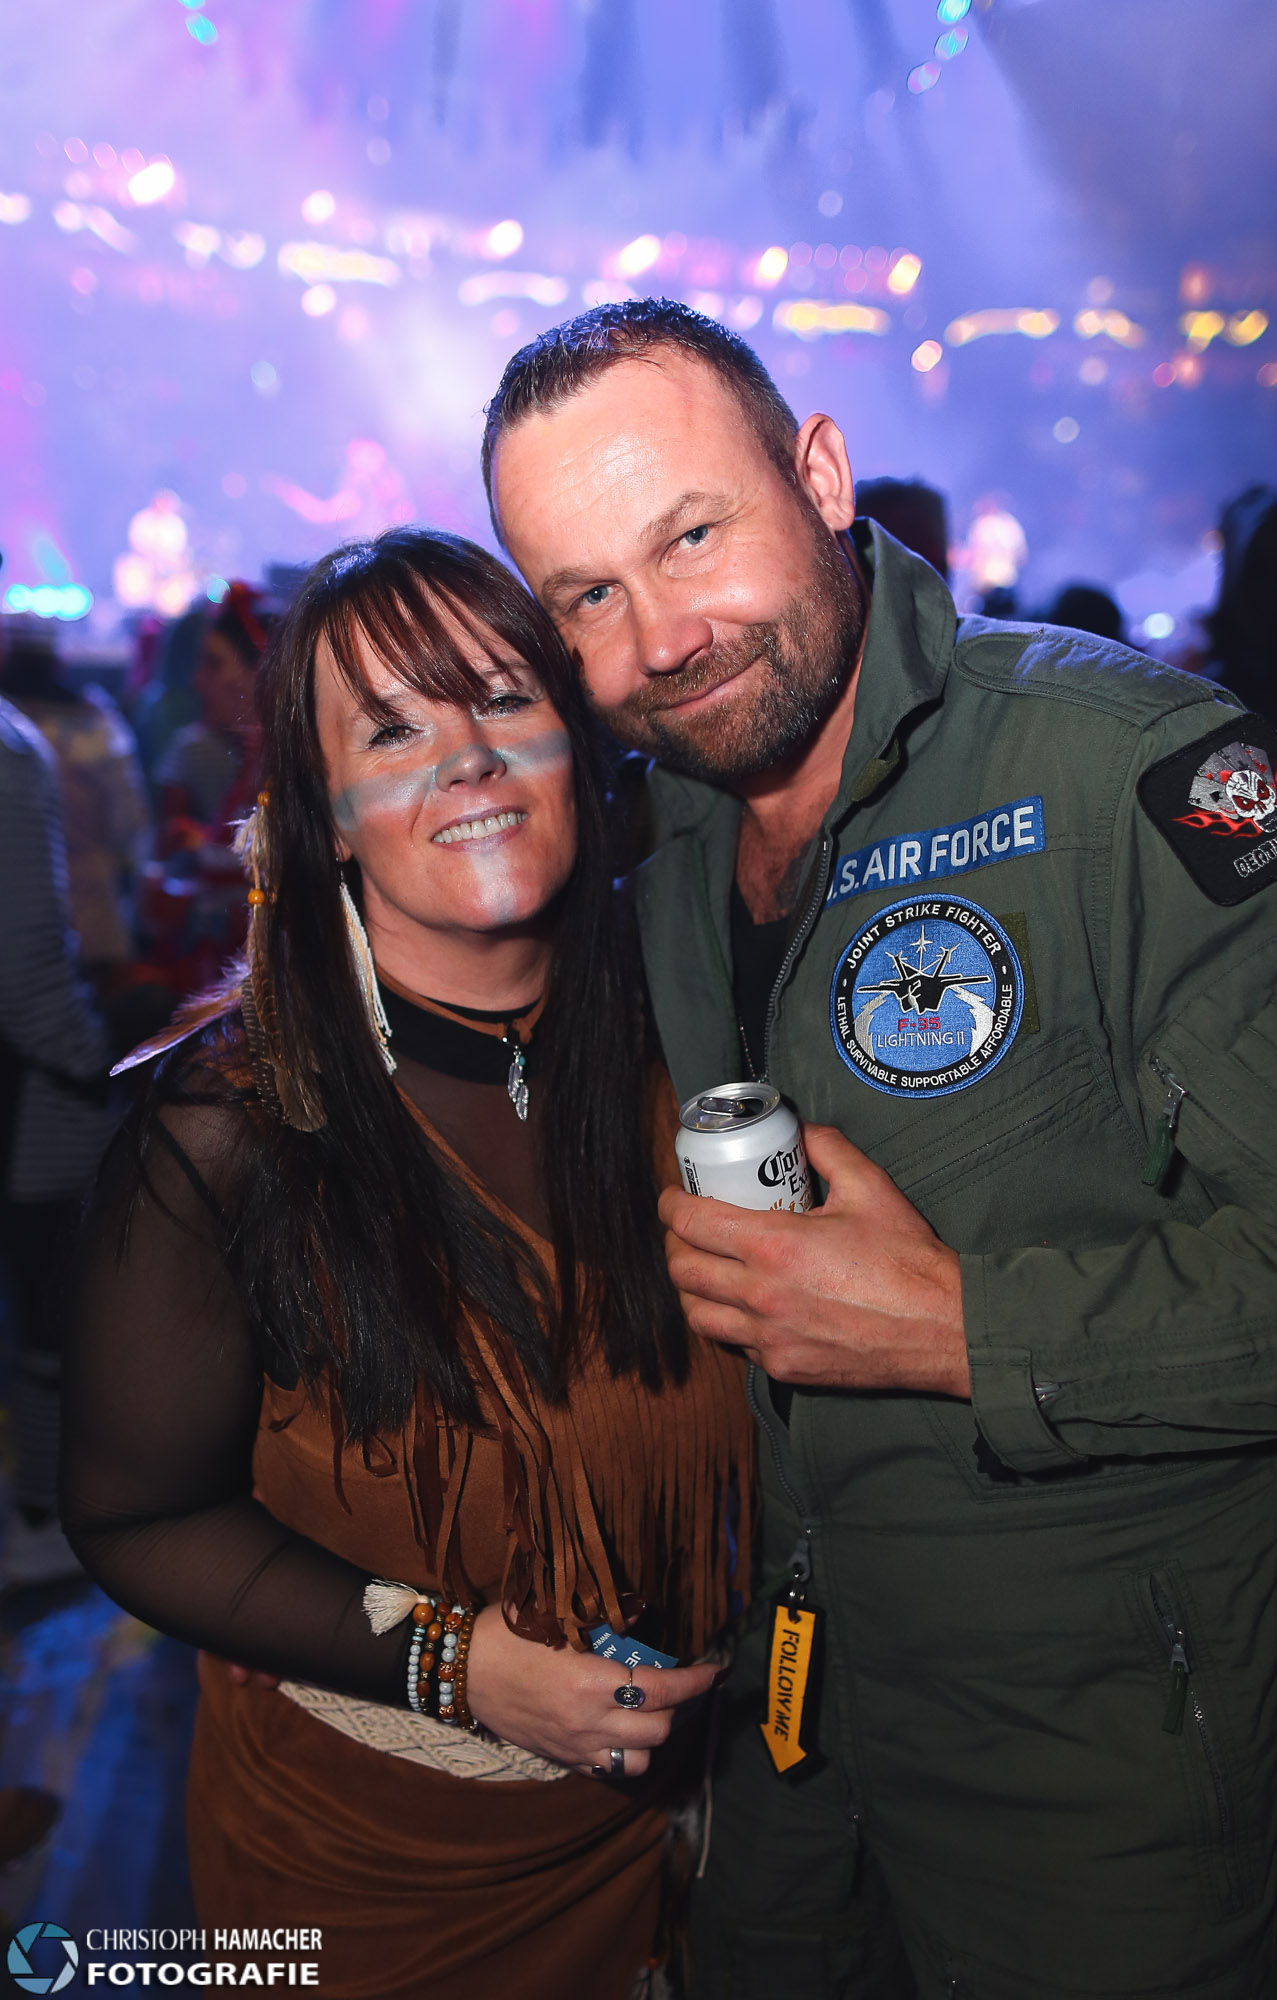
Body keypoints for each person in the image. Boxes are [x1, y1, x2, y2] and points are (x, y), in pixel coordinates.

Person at [482, 299, 1277, 1999]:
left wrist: (953, 1328)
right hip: (796, 1764)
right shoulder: (660, 855)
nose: (662, 638)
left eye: (691, 537)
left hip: (1110, 1807)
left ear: (822, 476)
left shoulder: (1122, 774)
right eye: (588, 596)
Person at [61, 528, 752, 1999]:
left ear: (578, 744)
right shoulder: (228, 1134)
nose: (466, 759)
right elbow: (135, 1517)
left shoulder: (702, 1048)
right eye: (390, 730)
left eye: (503, 699)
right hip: (379, 1888)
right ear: (320, 819)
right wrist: (456, 1663)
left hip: (719, 1853)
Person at [0, 685, 113, 1587]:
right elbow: (26, 969)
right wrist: (104, 1064)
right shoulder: (8, 753)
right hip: (27, 1104)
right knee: (52, 1311)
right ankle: (41, 1513)